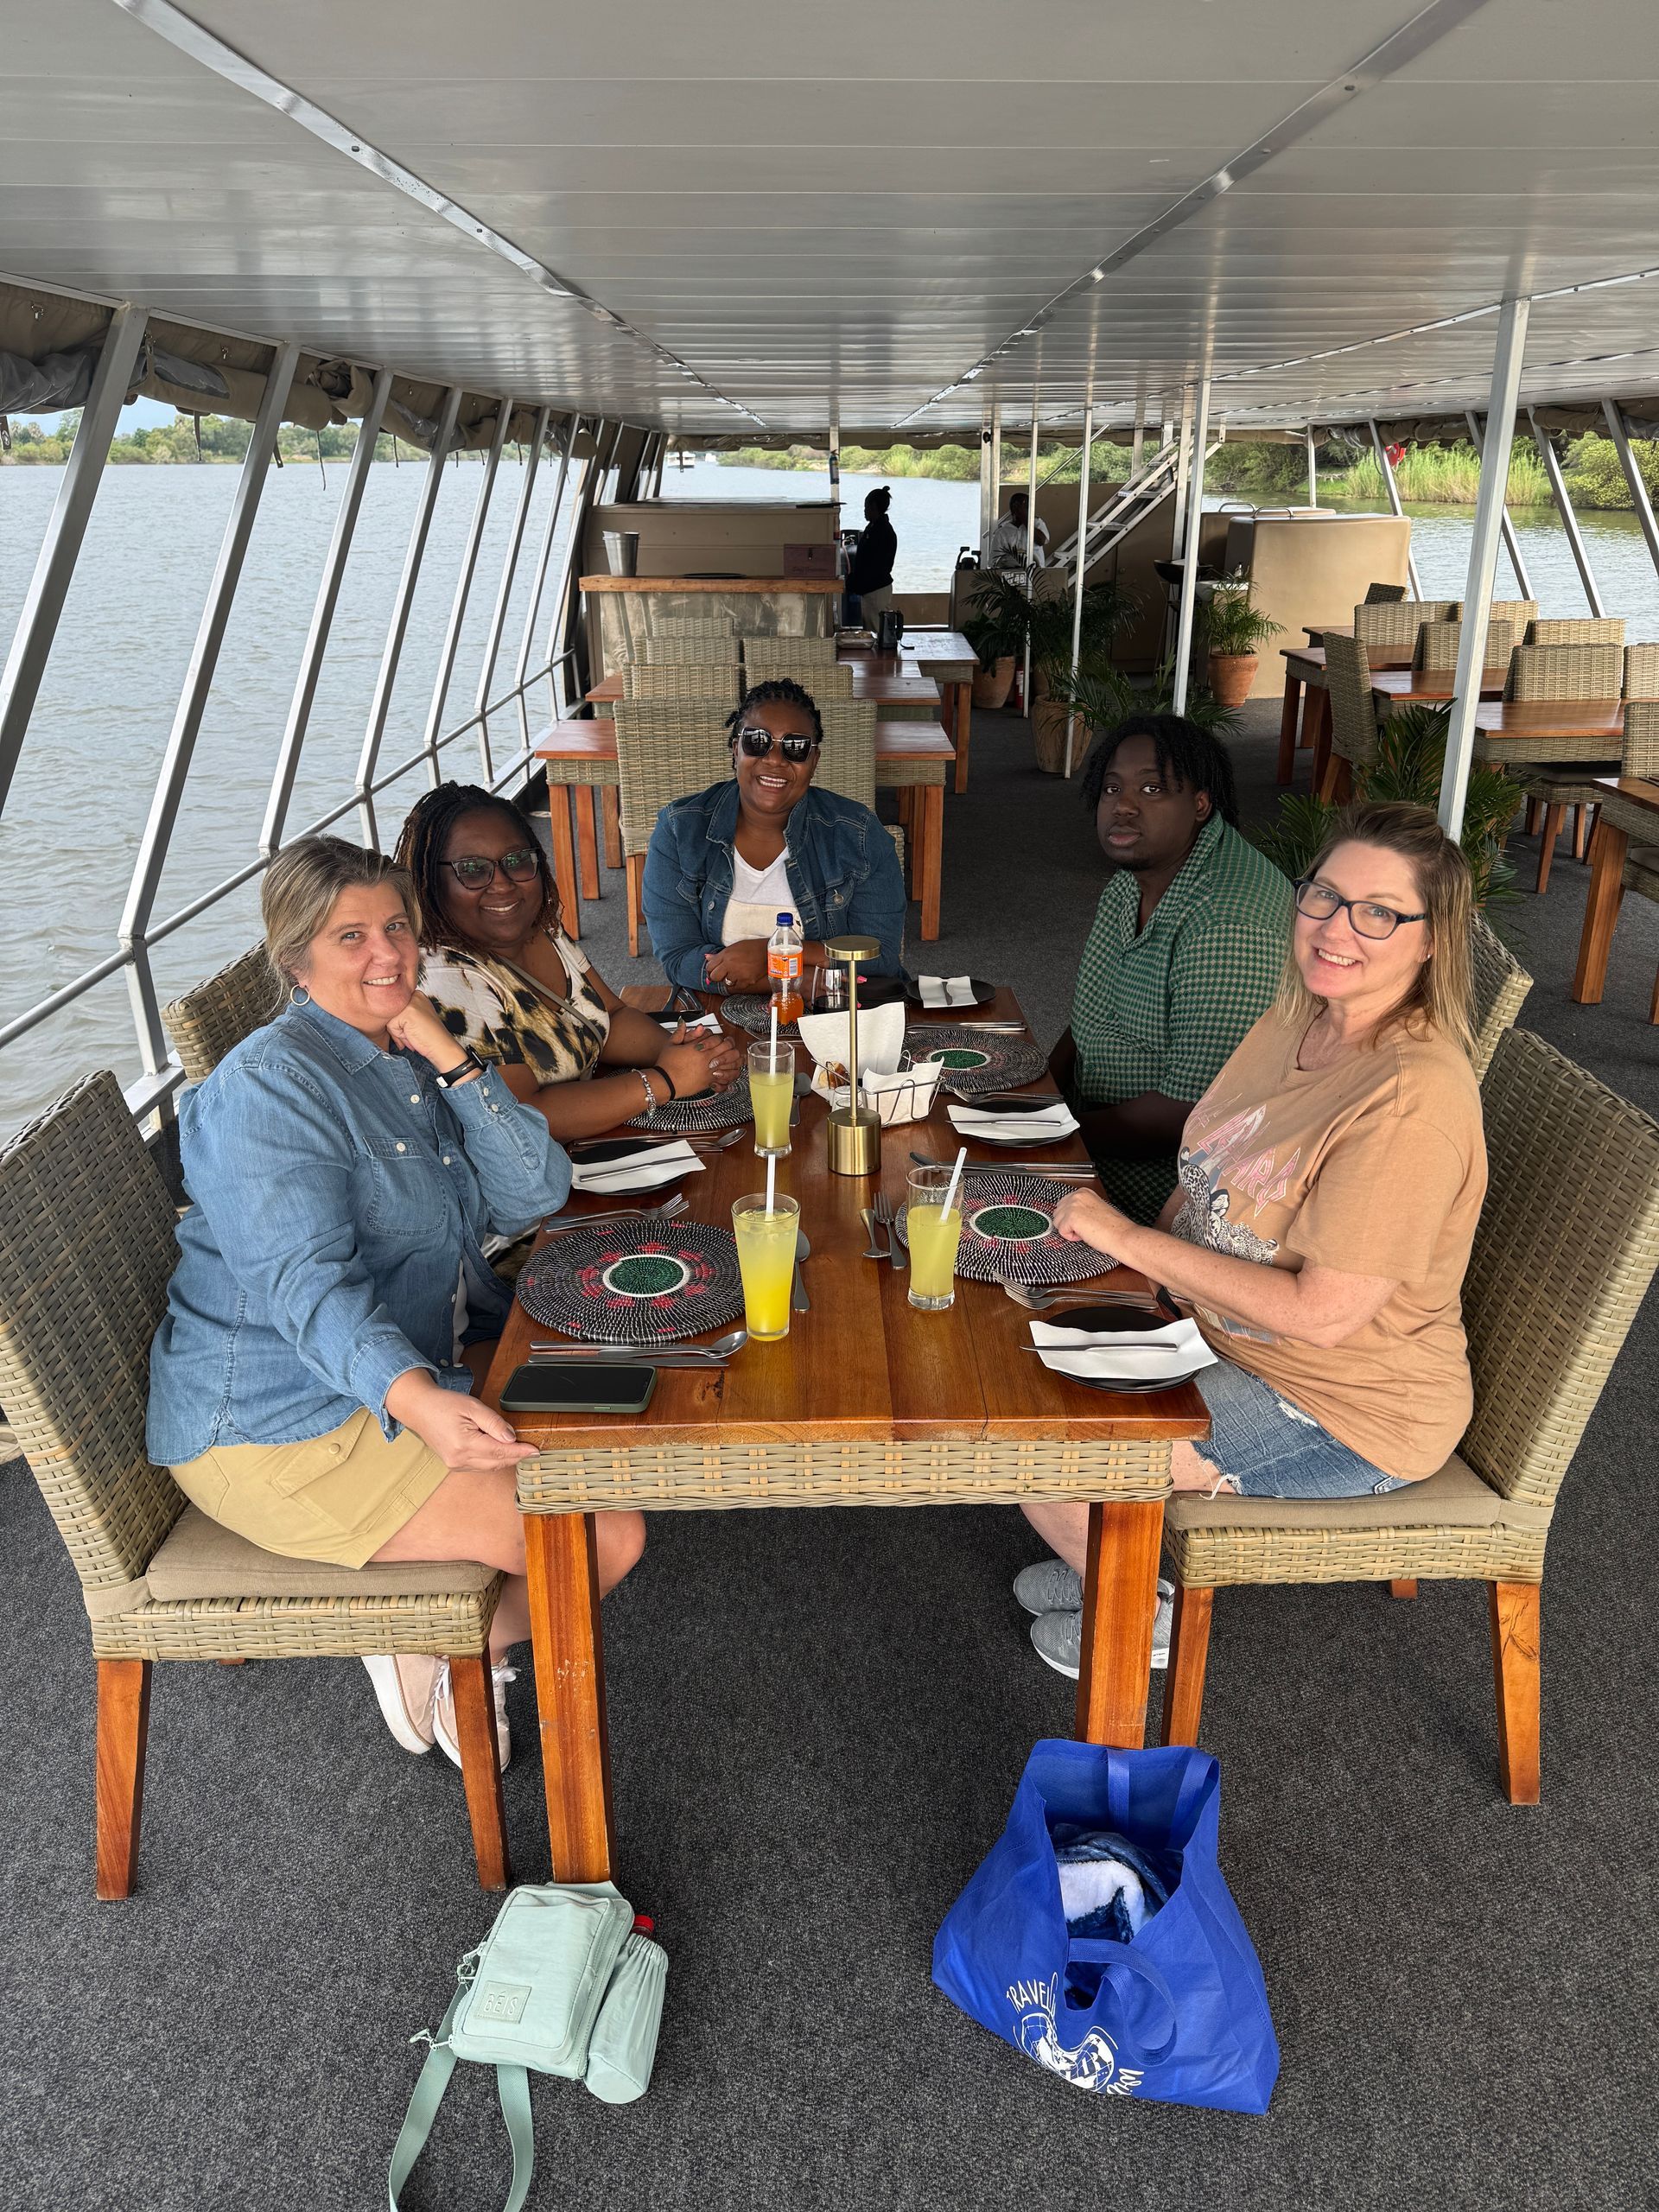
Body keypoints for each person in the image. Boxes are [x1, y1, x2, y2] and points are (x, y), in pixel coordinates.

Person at [146, 836, 645, 1769]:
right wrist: (417, 1400)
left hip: (403, 1368)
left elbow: (535, 1191)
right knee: (601, 1534)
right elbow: (306, 1286)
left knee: (617, 1421)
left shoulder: (405, 1051)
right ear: (295, 960)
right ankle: (436, 1647)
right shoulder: (269, 1088)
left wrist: (450, 1055)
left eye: (397, 928)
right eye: (351, 939)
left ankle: (440, 1627)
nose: (388, 956)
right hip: (277, 1422)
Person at [1015, 802, 1488, 1681]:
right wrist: (1136, 1283)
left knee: (1037, 1440)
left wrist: (1127, 1242)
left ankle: (1135, 1607)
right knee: (1010, 1356)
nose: (1336, 928)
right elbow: (1203, 1177)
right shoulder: (1300, 1013)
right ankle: (1103, 1547)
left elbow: (1322, 1316)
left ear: (1431, 940)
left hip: (1342, 1405)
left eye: (1379, 911)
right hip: (1219, 1329)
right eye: (1324, 896)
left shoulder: (1411, 1102)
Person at [1050, 714, 1293, 1224]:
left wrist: (1055, 1133)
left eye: (1153, 788)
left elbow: (1192, 1117)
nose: (1124, 805)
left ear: (1200, 804)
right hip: (1094, 1129)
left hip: (1164, 1189)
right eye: (1112, 787)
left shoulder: (1227, 924)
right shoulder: (1138, 878)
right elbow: (1091, 1014)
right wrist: (1042, 1093)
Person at [395, 783, 741, 1140]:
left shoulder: (542, 928)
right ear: (431, 882)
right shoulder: (445, 976)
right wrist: (666, 1080)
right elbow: (524, 1115)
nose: (502, 884)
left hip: (593, 1135)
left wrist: (675, 1051)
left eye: (516, 861)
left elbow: (612, 1018)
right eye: (472, 869)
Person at [641, 677, 908, 994]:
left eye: (795, 748)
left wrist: (772, 956)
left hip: (835, 1011)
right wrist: (794, 981)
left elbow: (880, 956)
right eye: (757, 741)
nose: (775, 760)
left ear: (813, 761)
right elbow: (678, 957)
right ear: (735, 749)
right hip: (716, 1017)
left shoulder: (859, 835)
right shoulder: (679, 830)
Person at [845, 486, 897, 626]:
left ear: (873, 506)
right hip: (871, 589)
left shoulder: (881, 532)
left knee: (876, 631)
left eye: (865, 507)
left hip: (876, 589)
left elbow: (872, 565)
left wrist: (852, 582)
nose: (864, 511)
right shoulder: (874, 529)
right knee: (871, 629)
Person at [987, 490, 1049, 569]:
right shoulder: (1002, 531)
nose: (1024, 510)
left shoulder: (1037, 523)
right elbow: (994, 561)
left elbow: (1041, 541)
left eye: (1027, 508)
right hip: (1010, 575)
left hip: (1035, 572)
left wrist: (1025, 518)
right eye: (1020, 507)